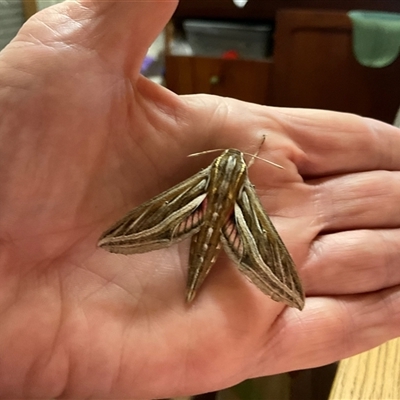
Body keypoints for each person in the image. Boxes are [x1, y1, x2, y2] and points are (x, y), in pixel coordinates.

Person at [1, 1, 400, 398]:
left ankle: (201, 281)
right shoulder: (246, 187)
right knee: (251, 251)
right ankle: (215, 282)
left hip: (199, 209)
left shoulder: (204, 176)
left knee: (202, 237)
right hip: (228, 218)